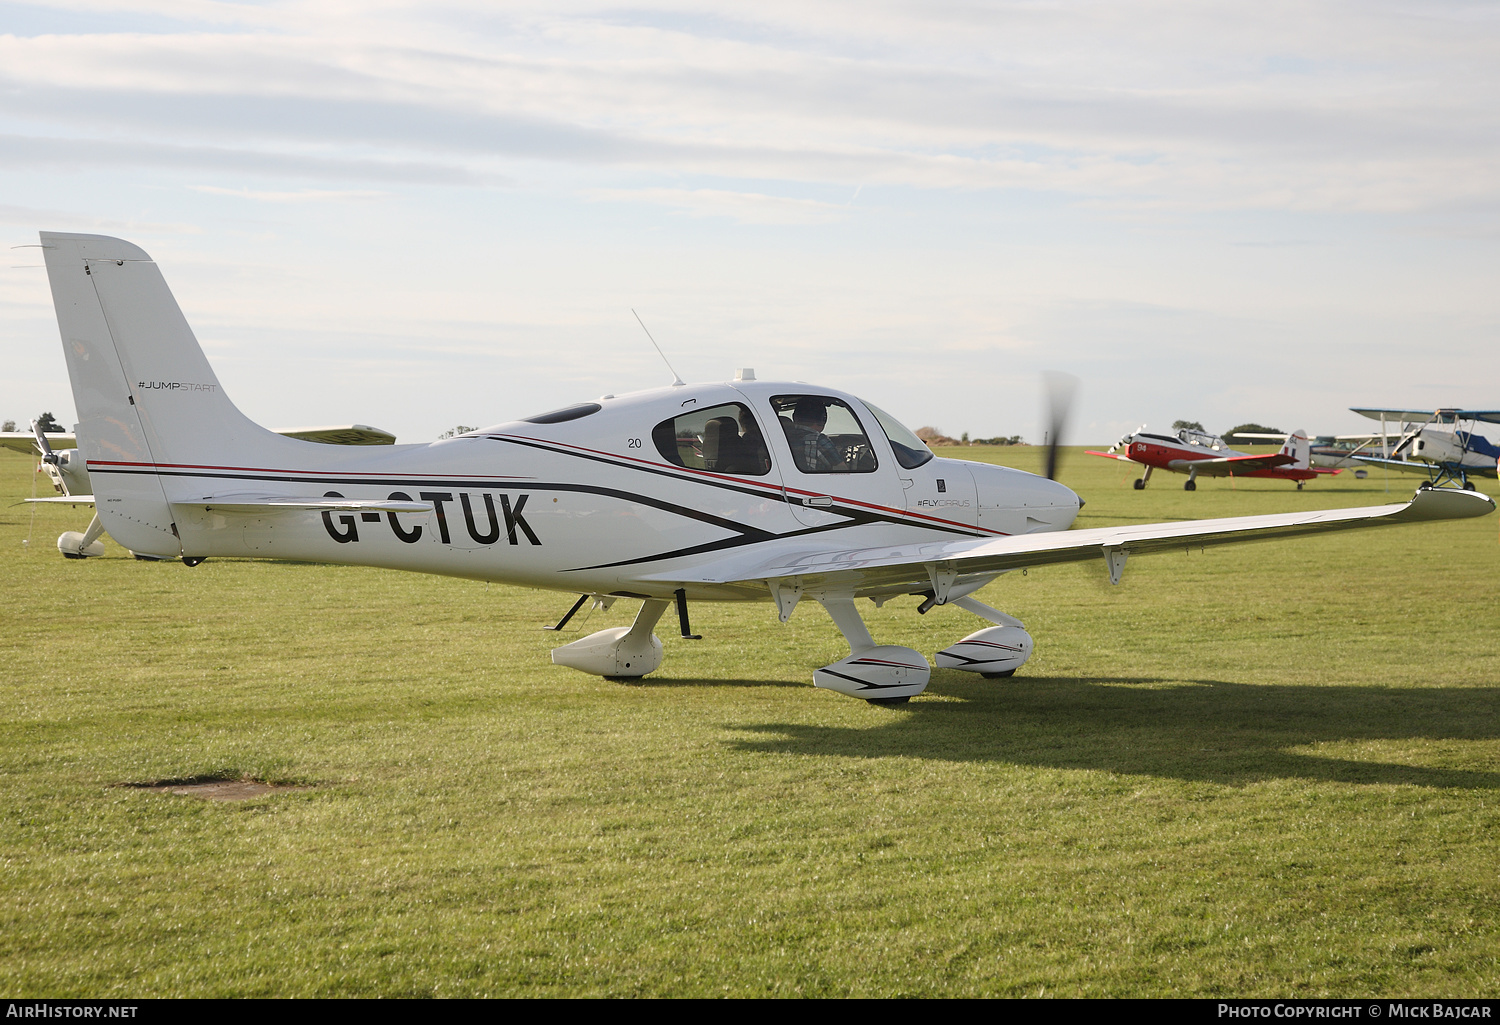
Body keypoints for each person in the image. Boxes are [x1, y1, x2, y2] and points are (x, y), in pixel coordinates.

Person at [782, 397, 849, 473]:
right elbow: (843, 470)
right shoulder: (819, 440)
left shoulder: (783, 437)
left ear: (794, 417)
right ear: (823, 419)